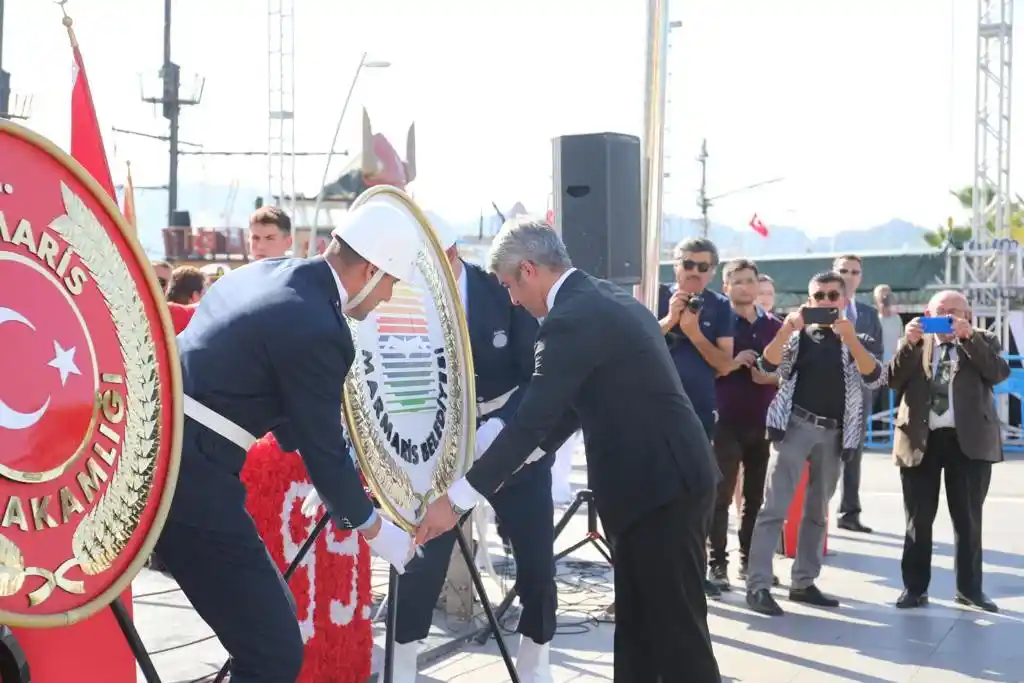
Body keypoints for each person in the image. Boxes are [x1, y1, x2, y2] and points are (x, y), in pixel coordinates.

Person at [414, 218, 722, 683]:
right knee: (640, 630)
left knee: (677, 637)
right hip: (659, 485)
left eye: (510, 286)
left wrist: (458, 497)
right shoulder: (603, 297)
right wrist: (532, 457)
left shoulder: (569, 320)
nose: (512, 300)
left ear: (529, 270)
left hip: (661, 489)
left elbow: (532, 419)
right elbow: (576, 405)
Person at [155, 200, 423, 683]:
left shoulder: (262, 275)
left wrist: (332, 473)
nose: (387, 299)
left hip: (157, 451)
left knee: (266, 630)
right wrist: (376, 529)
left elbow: (281, 413)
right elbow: (321, 446)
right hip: (194, 479)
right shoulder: (322, 328)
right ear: (369, 269)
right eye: (390, 284)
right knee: (274, 652)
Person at [306, 214, 560, 683]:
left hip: (509, 439)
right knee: (421, 555)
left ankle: (534, 659)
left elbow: (538, 377)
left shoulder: (500, 291)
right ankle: (402, 664)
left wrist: (500, 428)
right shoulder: (397, 294)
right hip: (434, 444)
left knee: (536, 559)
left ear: (451, 252)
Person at [745, 272, 884, 617]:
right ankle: (759, 585)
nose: (825, 302)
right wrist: (785, 330)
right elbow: (766, 365)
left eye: (832, 295)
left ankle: (803, 582)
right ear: (809, 300)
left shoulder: (855, 336)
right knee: (774, 507)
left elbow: (876, 376)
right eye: (818, 296)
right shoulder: (798, 336)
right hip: (797, 425)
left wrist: (851, 340)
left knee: (817, 512)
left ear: (843, 299)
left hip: (836, 432)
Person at [887, 290, 1008, 613]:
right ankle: (914, 589)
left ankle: (969, 590)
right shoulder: (914, 341)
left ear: (967, 315)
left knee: (968, 519)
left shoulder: (983, 339)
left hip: (968, 441)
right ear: (927, 314)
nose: (951, 318)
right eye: (943, 312)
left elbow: (997, 373)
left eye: (957, 312)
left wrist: (969, 340)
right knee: (917, 519)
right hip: (920, 439)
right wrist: (909, 344)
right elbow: (892, 380)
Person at [656, 237, 733, 598]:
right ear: (676, 265)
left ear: (713, 272)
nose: (695, 273)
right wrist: (671, 320)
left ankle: (694, 570)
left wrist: (693, 332)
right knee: (654, 496)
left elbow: (724, 365)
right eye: (689, 265)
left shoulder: (719, 307)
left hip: (699, 413)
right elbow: (634, 345)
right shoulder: (652, 295)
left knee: (697, 496)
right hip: (651, 412)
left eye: (704, 267)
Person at [706, 259, 781, 592]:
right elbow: (706, 367)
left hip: (763, 421)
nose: (745, 287)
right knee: (720, 496)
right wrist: (732, 363)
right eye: (737, 281)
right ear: (726, 287)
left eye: (750, 281)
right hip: (725, 420)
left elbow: (789, 373)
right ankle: (716, 564)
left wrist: (769, 375)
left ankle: (751, 561)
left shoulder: (775, 326)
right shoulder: (719, 323)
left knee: (755, 499)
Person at [833, 254, 883, 534]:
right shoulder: (822, 308)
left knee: (853, 454)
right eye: (843, 270)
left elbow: (877, 356)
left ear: (860, 277)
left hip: (858, 393)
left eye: (854, 271)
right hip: (825, 393)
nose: (848, 276)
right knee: (821, 455)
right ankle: (813, 516)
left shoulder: (867, 313)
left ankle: (850, 512)